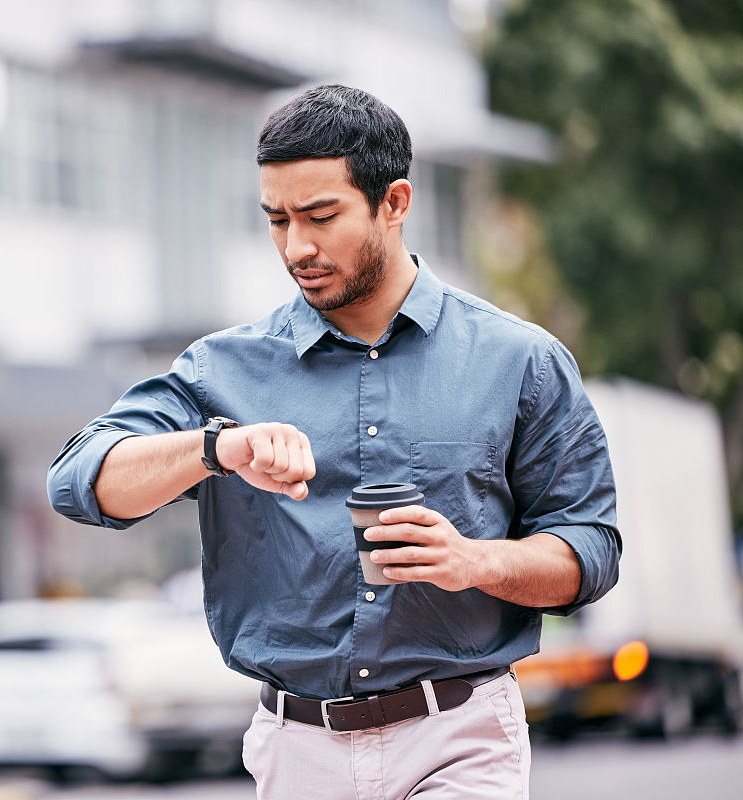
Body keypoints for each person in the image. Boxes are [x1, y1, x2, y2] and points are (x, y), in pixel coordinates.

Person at [47, 84, 620, 799]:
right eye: (277, 220)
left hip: (460, 737)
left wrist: (475, 561)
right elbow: (78, 480)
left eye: (321, 216)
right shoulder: (221, 371)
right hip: (296, 753)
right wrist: (214, 447)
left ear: (395, 203)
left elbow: (590, 548)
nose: (297, 246)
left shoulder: (520, 363)